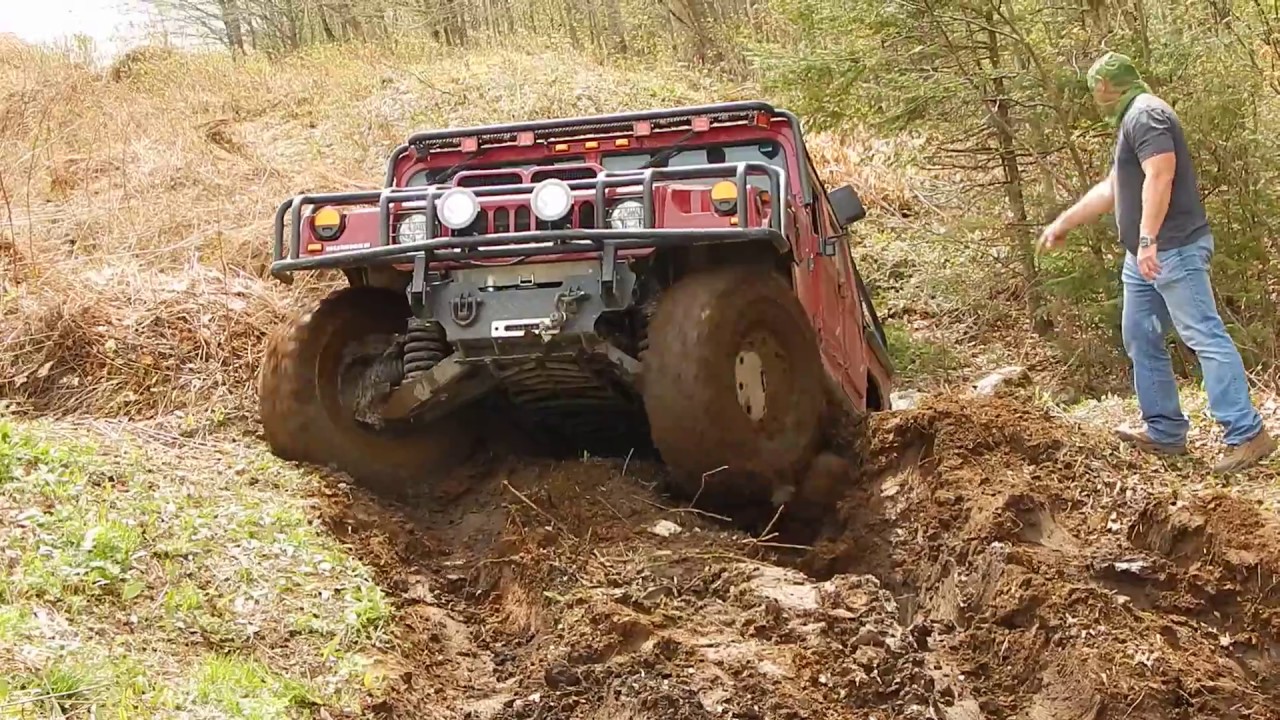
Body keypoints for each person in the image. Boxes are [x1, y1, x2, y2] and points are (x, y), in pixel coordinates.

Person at [1038, 51, 1275, 474]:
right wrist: (1063, 223)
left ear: (1106, 86)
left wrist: (1148, 239)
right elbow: (1113, 188)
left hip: (1173, 249)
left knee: (1203, 334)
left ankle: (1246, 433)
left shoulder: (1147, 115)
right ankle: (1164, 430)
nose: (1096, 97)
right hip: (1144, 255)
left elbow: (1161, 174)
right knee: (1140, 335)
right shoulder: (1131, 118)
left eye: (1096, 89)